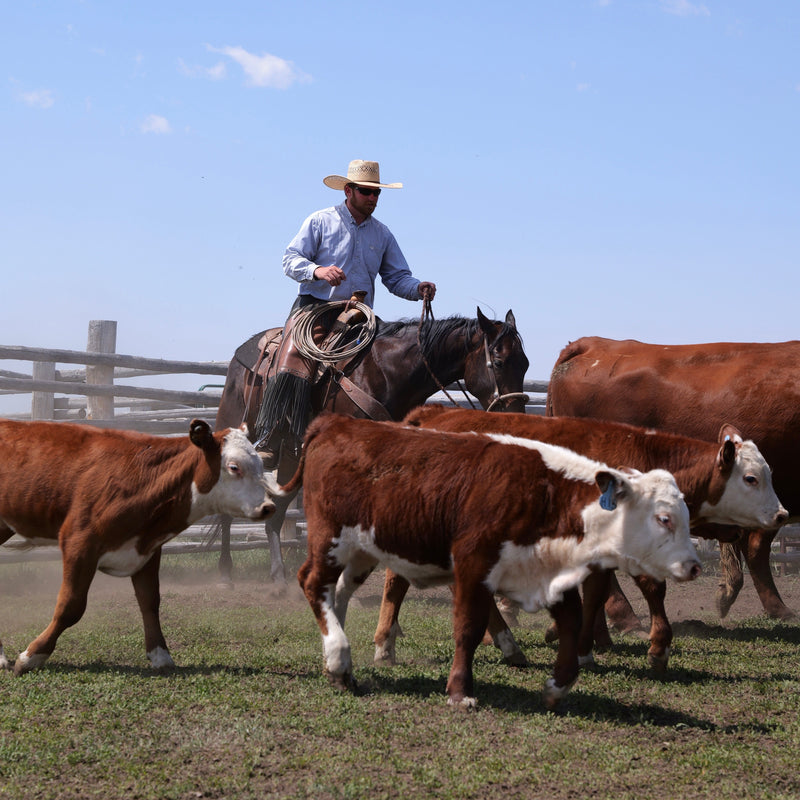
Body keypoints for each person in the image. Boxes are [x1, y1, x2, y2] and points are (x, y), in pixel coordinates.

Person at [256, 159, 436, 463]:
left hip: (360, 317)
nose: (373, 198)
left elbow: (396, 277)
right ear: (348, 190)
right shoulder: (320, 221)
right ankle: (272, 435)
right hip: (315, 310)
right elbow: (290, 259)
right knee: (292, 360)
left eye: (377, 194)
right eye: (367, 192)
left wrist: (416, 288)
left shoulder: (383, 234)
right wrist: (318, 270)